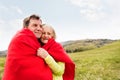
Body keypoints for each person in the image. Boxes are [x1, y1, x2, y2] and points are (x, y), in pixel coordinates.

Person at [2, 14, 53, 80]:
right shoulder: (21, 38)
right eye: (35, 25)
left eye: (40, 26)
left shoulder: (37, 42)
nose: (39, 29)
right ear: (26, 28)